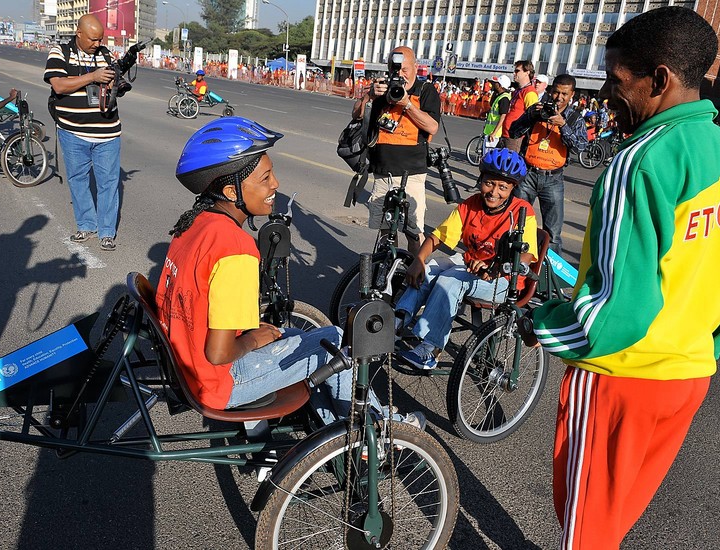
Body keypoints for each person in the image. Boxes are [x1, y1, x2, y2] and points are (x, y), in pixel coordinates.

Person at [518, 7, 720, 549]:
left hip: (620, 378)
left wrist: (543, 325)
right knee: (613, 521)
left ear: (659, 79)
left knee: (585, 531)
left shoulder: (640, 160)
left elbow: (614, 311)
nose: (605, 94)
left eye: (615, 79)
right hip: (688, 376)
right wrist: (703, 350)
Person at [157, 116, 425, 429]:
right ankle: (378, 428)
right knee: (335, 341)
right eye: (265, 178)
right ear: (231, 191)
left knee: (298, 337)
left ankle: (334, 431)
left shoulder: (195, 223)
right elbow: (219, 353)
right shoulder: (234, 248)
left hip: (188, 366)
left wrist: (254, 337)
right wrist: (252, 340)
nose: (275, 184)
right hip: (219, 382)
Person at [395, 148, 538, 370]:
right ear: (481, 180)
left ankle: (430, 349)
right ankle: (396, 322)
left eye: (503, 187)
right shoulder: (470, 204)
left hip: (504, 280)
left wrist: (495, 269)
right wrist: (419, 260)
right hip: (471, 264)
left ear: (513, 188)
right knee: (429, 269)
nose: (494, 192)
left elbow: (527, 256)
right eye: (489, 183)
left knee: (449, 281)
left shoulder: (522, 211)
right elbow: (438, 236)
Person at [351, 46, 441, 256]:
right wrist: (369, 96)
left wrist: (407, 104)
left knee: (413, 232)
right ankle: (384, 266)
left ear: (415, 67)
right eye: (394, 69)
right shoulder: (383, 89)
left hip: (412, 173)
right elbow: (356, 115)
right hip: (383, 172)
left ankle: (415, 269)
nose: (399, 74)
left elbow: (432, 127)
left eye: (404, 69)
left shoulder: (425, 90)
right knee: (385, 229)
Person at [44, 14, 123, 252]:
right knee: (78, 180)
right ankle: (86, 225)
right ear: (79, 34)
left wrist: (116, 84)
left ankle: (107, 232)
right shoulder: (60, 52)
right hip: (72, 131)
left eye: (100, 39)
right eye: (93, 39)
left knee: (108, 183)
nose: (97, 44)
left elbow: (114, 87)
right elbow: (58, 85)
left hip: (107, 133)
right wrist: (93, 76)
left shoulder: (105, 55)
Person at [508, 74, 589, 254]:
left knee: (553, 234)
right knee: (517, 225)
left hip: (553, 179)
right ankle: (512, 263)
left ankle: (548, 269)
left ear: (572, 95)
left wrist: (563, 125)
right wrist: (530, 117)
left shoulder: (574, 119)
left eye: (564, 94)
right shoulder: (537, 109)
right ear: (551, 91)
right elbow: (513, 132)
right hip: (527, 175)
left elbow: (580, 147)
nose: (559, 97)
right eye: (556, 92)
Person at [500, 60, 538, 152]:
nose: (514, 73)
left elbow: (533, 117)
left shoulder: (529, 92)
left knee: (509, 161)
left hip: (515, 137)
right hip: (505, 134)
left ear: (527, 73)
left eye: (517, 71)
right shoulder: (518, 91)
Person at [481, 75, 511, 147]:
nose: (494, 84)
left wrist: (494, 133)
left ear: (500, 85)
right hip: (490, 131)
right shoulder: (499, 96)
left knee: (490, 153)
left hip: (495, 134)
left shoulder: (504, 98)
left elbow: (503, 117)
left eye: (497, 83)